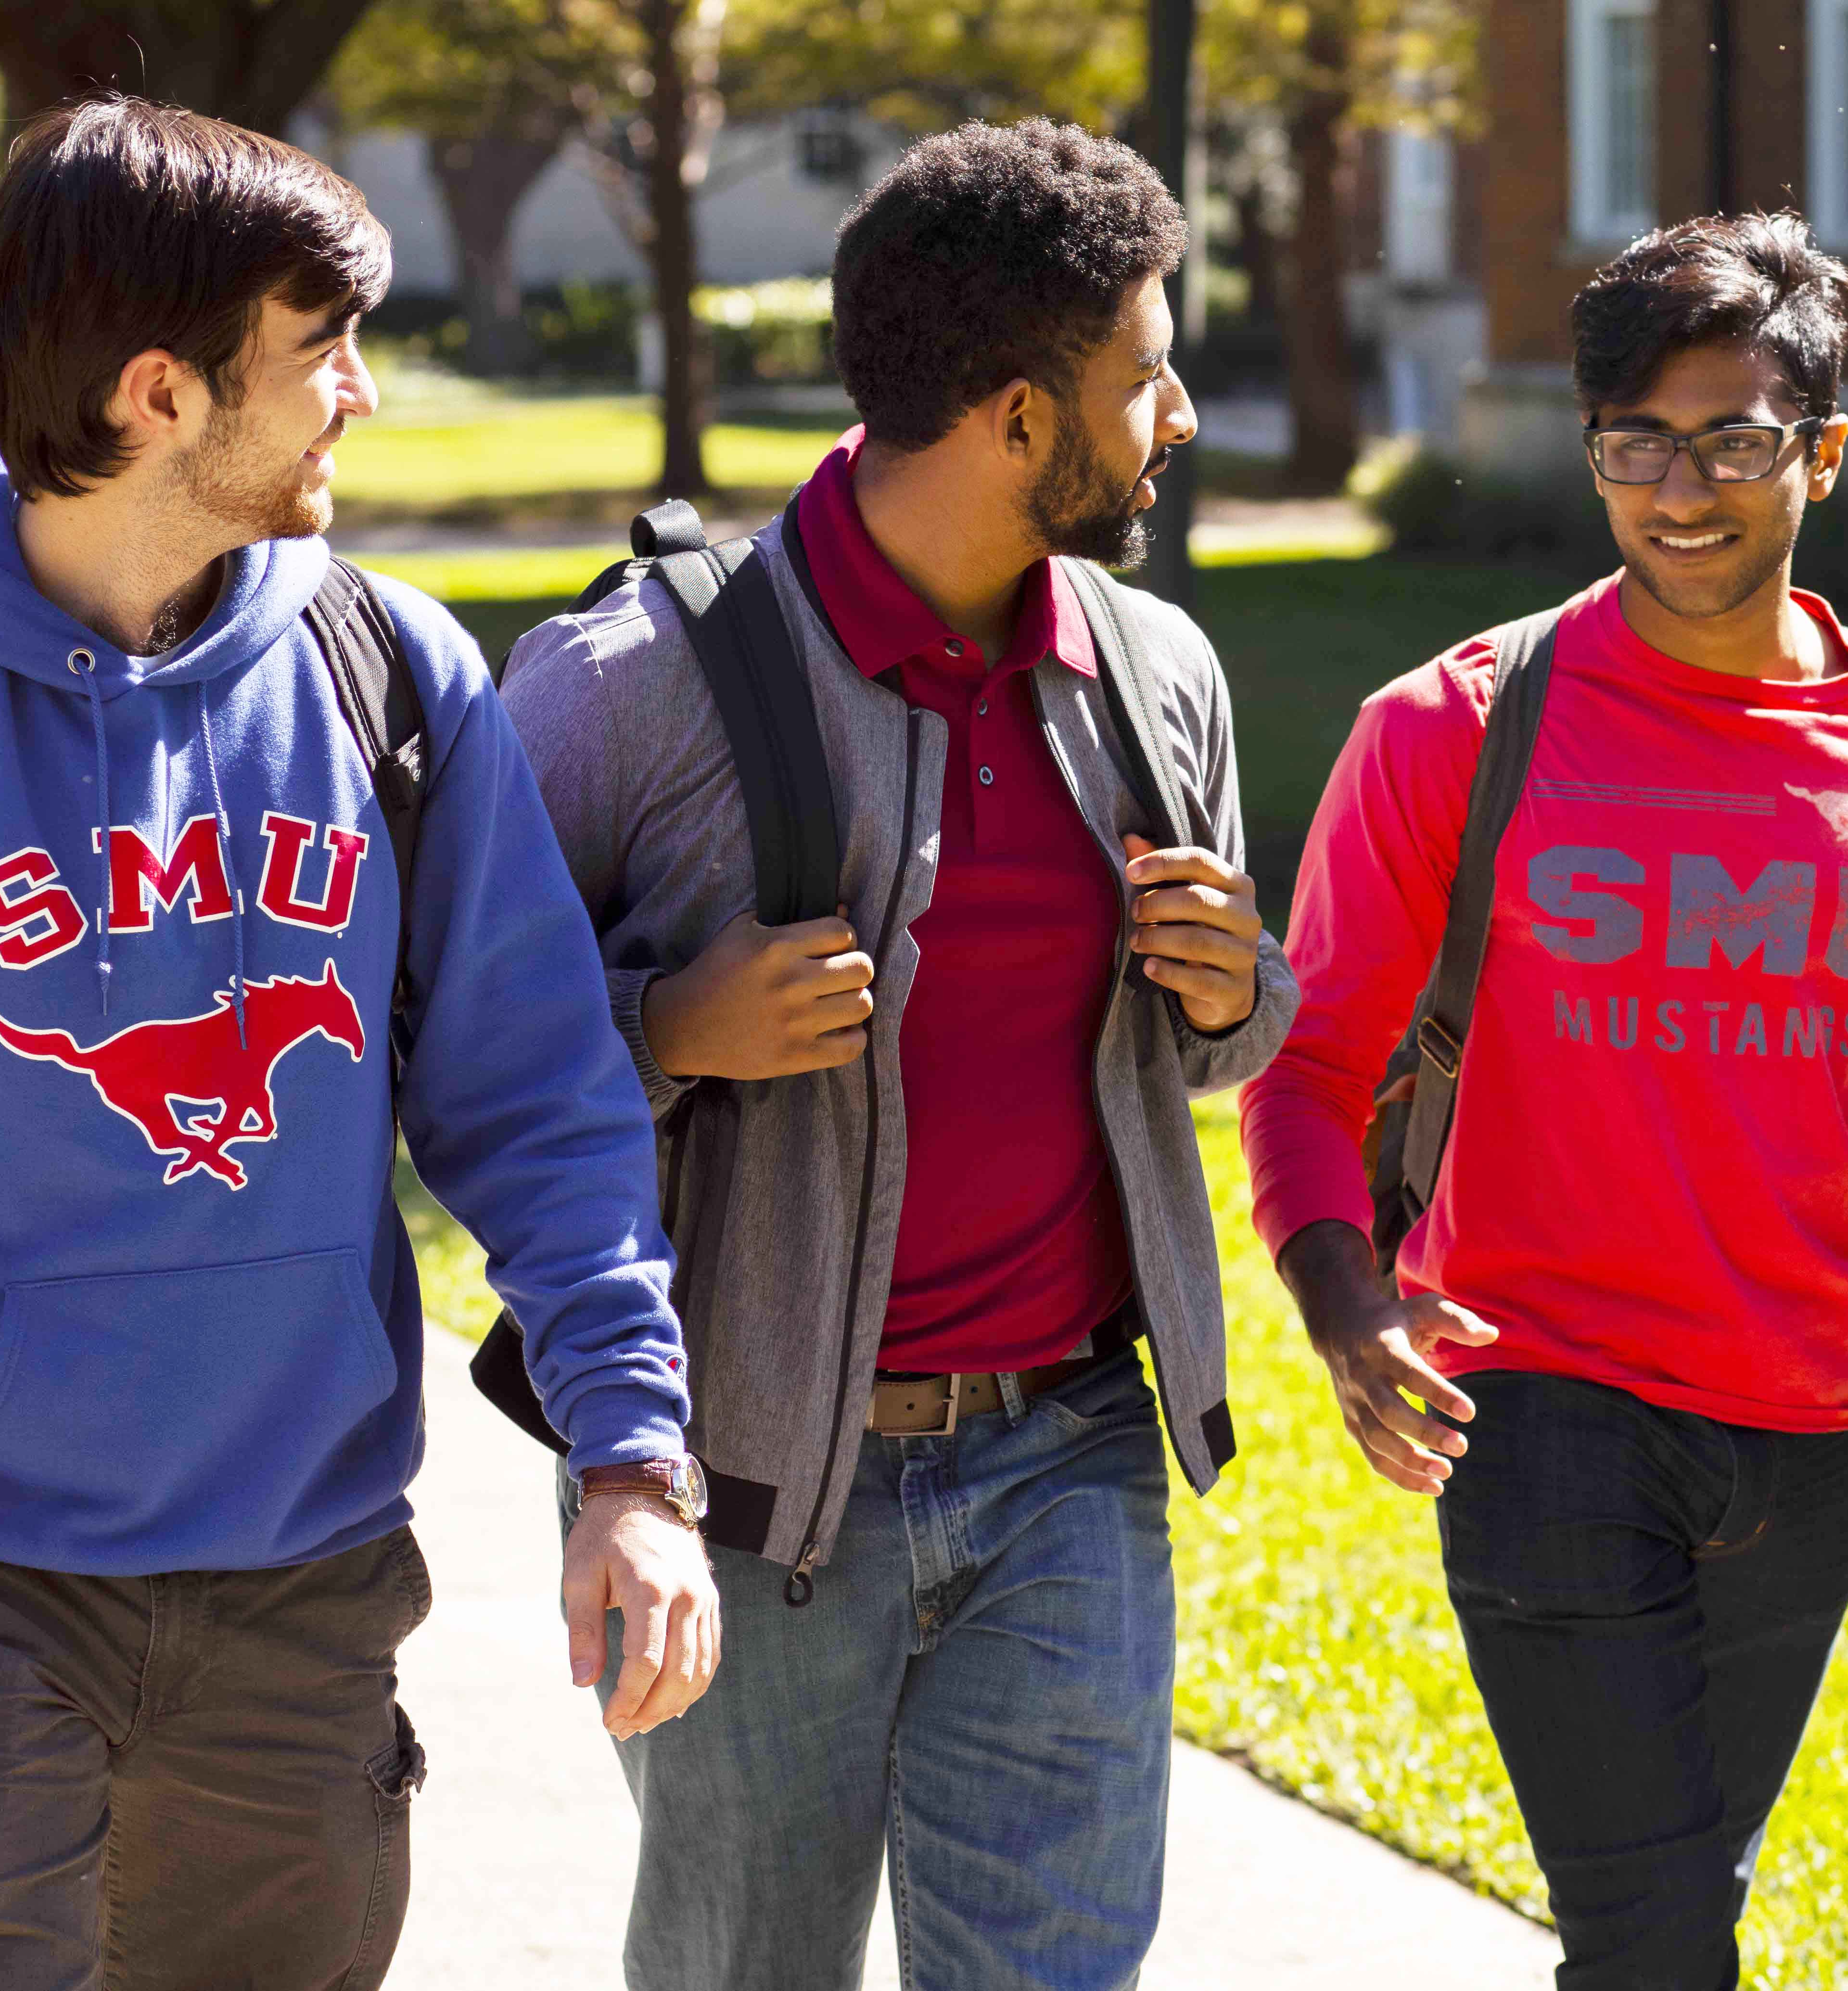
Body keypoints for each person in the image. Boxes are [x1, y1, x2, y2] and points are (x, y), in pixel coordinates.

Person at [1237, 211, 1848, 1989]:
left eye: (1731, 439)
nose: (1680, 490)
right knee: (1659, 1950)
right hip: (1537, 1391)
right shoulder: (1456, 725)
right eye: (1634, 444)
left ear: (1825, 452)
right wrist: (1347, 1309)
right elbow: (1311, 1062)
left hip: (1806, 1406)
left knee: (1663, 1927)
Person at [500, 118, 1296, 1991]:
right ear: (1019, 418)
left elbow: (1214, 1051)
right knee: (743, 1968)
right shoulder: (630, 689)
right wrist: (673, 1028)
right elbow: (445, 1065)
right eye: (1143, 373)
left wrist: (1227, 991)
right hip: (756, 1481)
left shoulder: (1157, 672)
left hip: (1072, 1457)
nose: (1174, 412)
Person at [0, 98, 717, 1991]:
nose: (360, 396)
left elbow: (540, 1100)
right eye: (321, 353)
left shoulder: (386, 677)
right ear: (158, 391)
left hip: (298, 1599)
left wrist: (632, 1464)